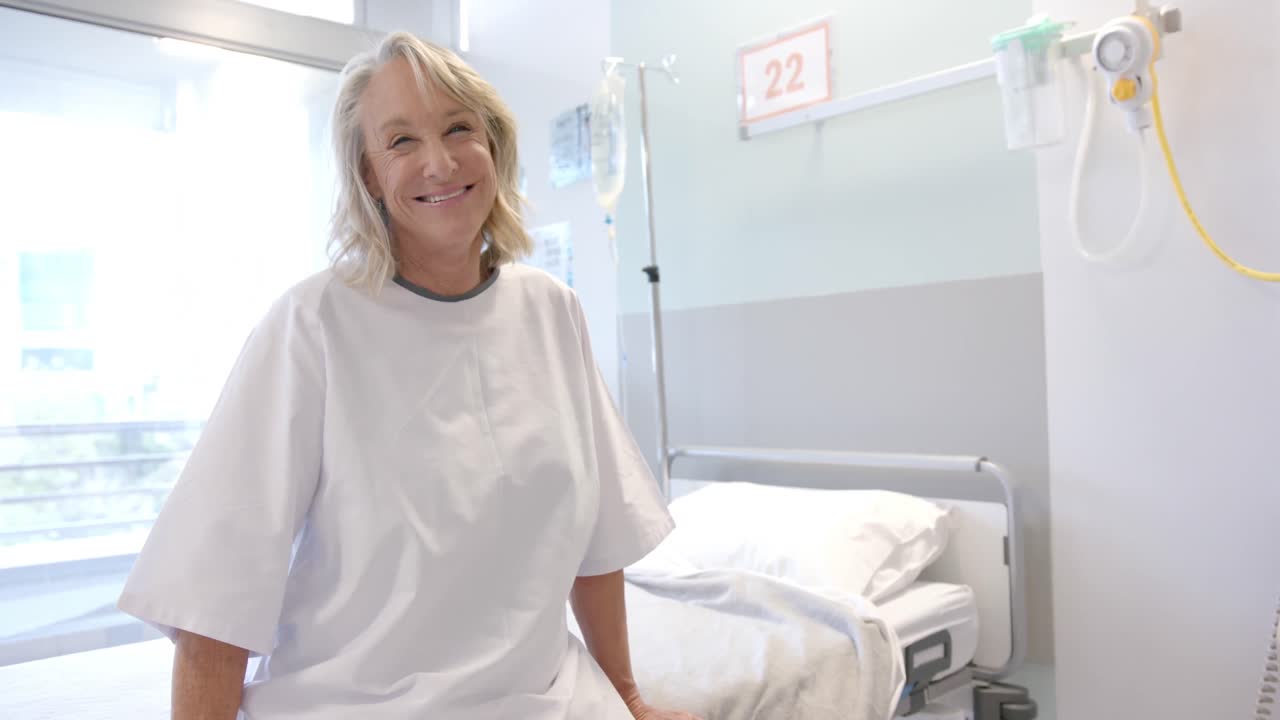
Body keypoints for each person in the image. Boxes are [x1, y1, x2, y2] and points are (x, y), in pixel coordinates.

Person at [117, 30, 700, 720]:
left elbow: (600, 537)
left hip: (549, 698)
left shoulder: (551, 311)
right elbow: (216, 589)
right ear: (368, 175)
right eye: (400, 142)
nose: (439, 162)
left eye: (459, 129)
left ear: (494, 147)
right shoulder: (313, 326)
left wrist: (629, 694)